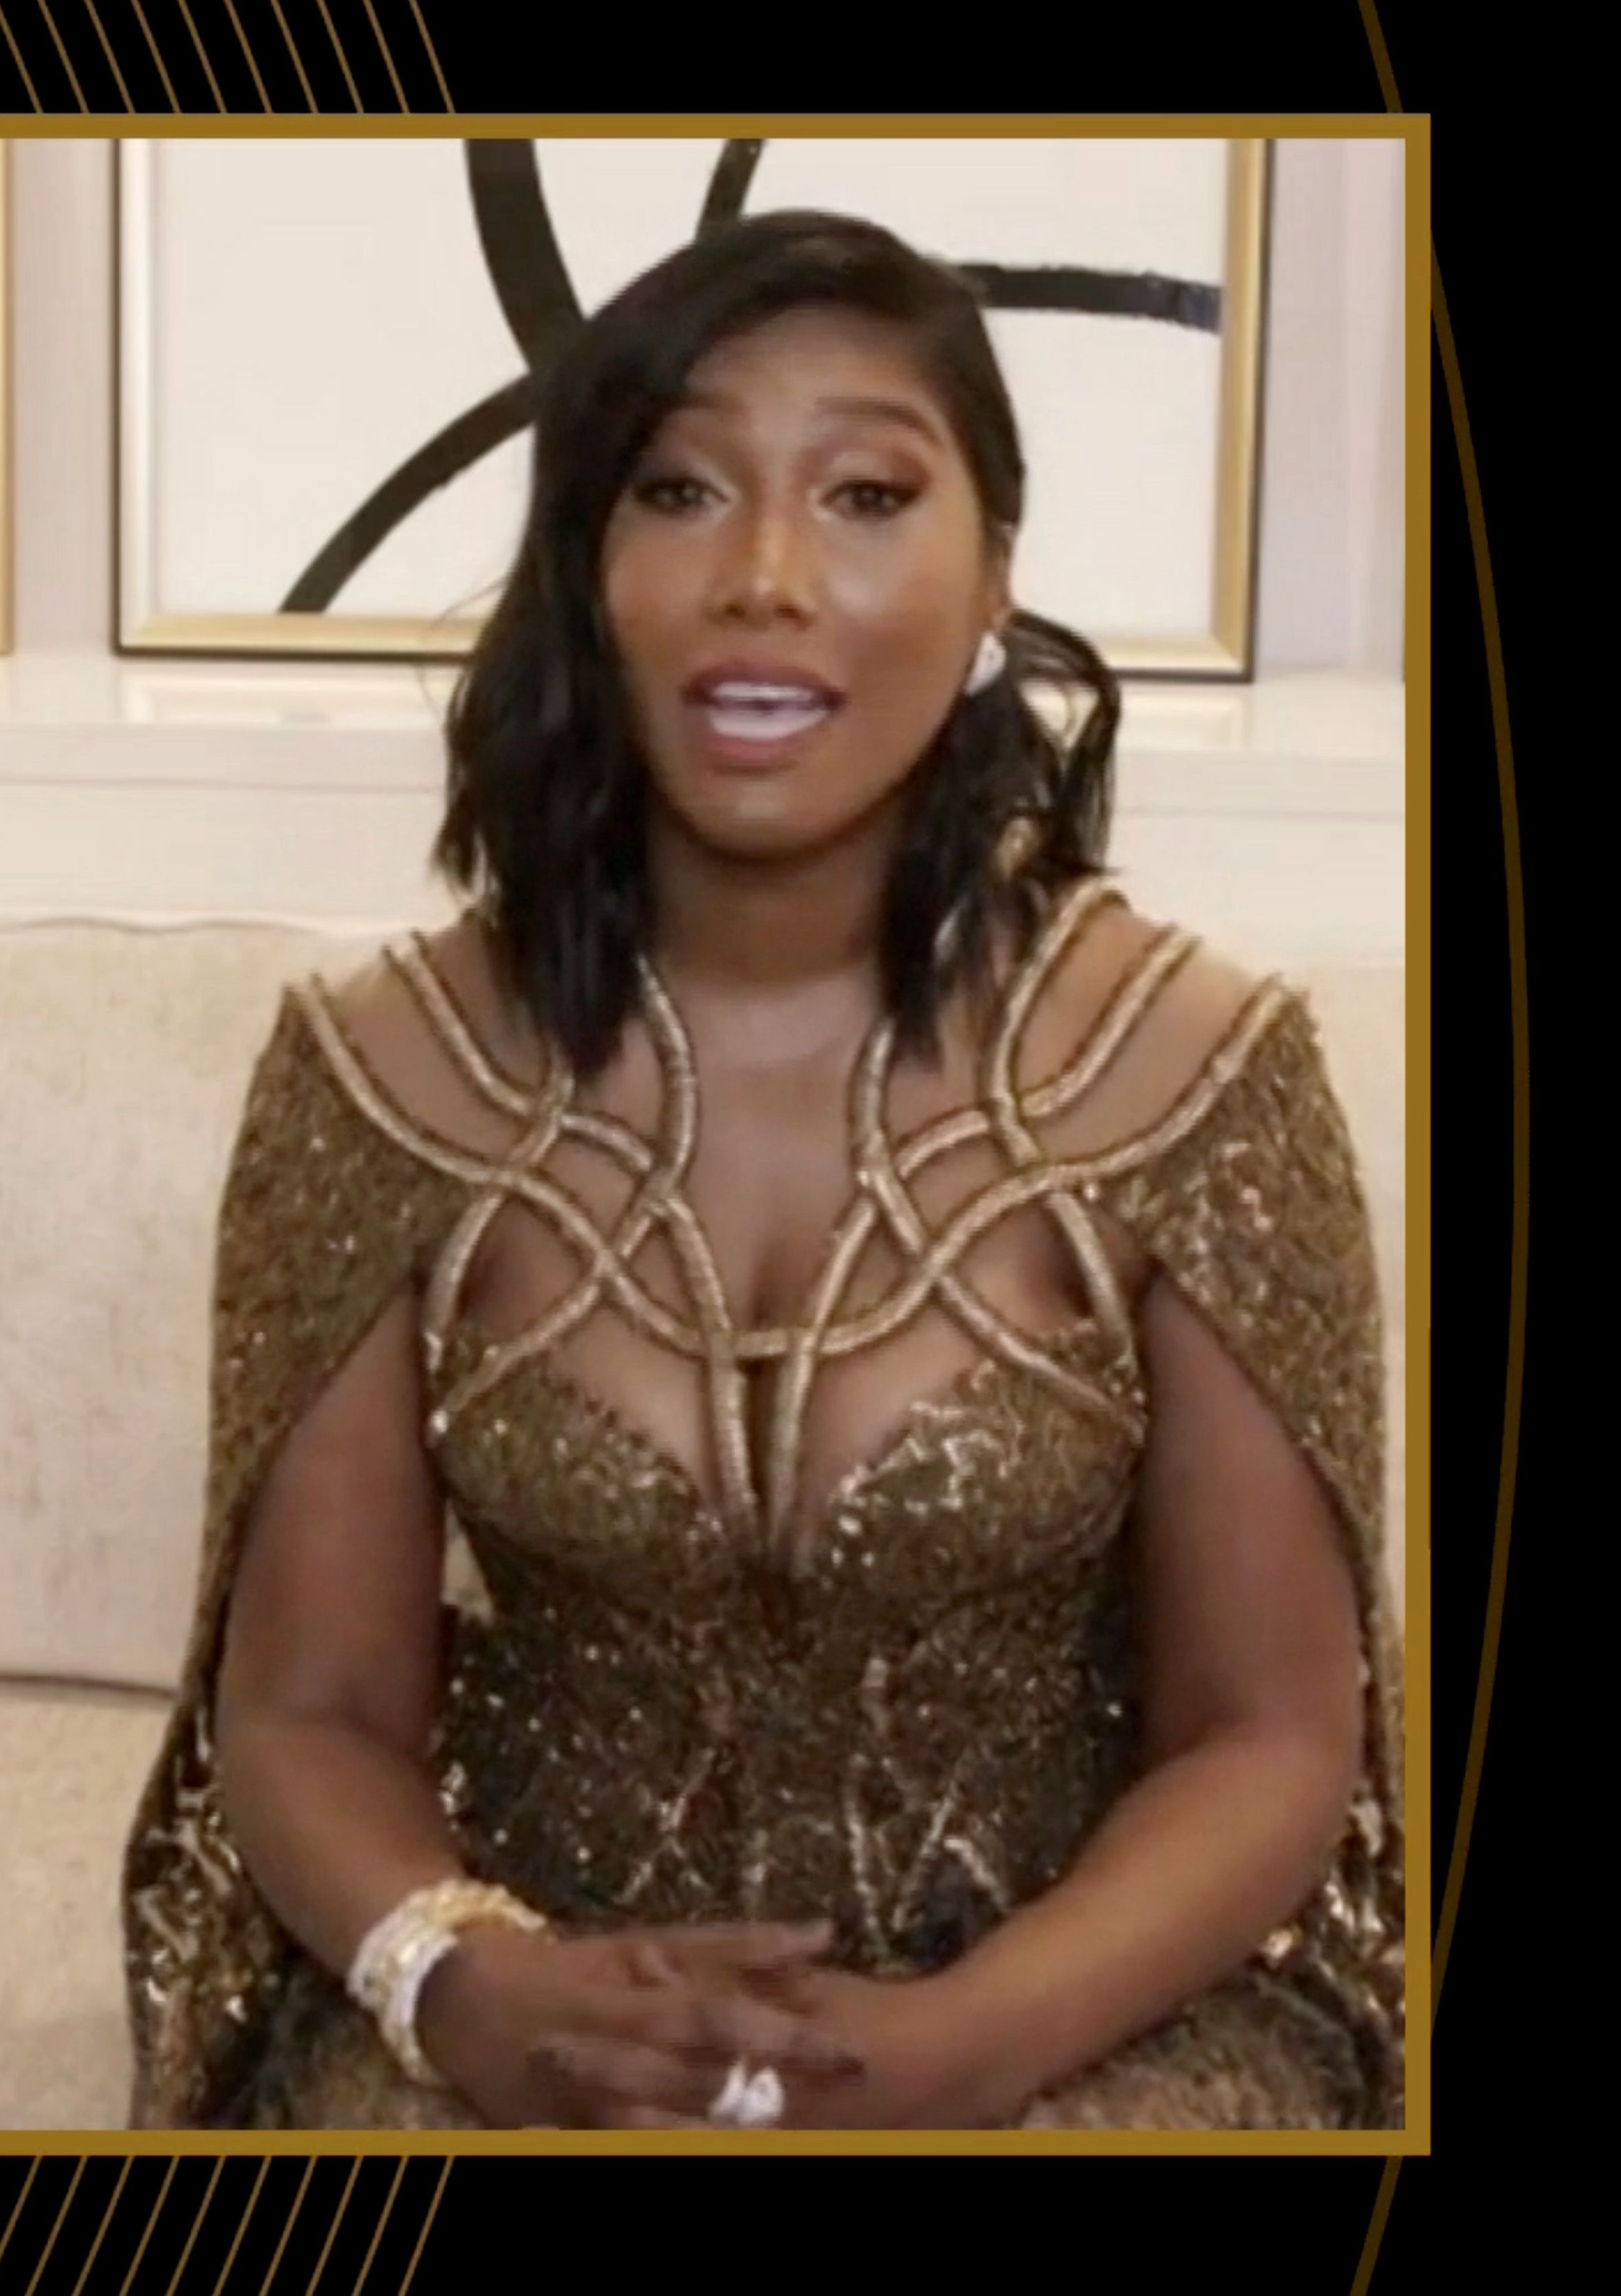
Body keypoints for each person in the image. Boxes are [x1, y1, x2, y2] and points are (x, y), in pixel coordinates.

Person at [119, 211, 1403, 2131]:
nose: (766, 576)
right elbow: (304, 1711)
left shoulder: (1192, 1068)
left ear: (991, 584)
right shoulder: (381, 1071)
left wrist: (960, 2043)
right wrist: (460, 1979)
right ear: (589, 569)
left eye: (868, 491)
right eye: (680, 487)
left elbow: (1270, 1729)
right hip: (539, 2000)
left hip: (1078, 2004)